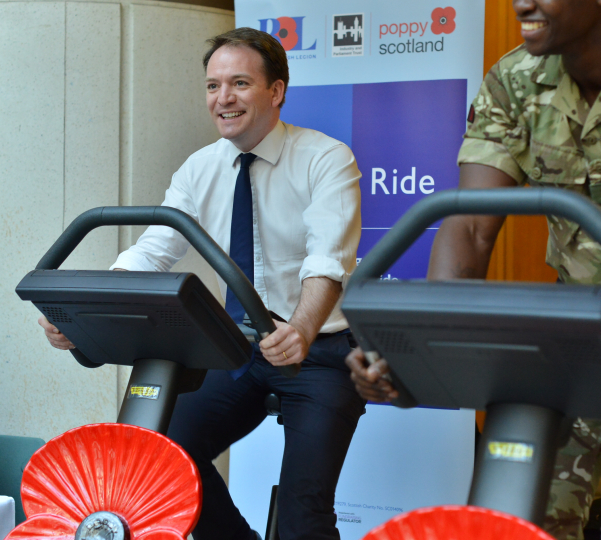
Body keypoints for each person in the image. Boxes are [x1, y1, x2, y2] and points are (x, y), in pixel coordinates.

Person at [347, 1, 601, 539]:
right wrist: (426, 344)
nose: (522, 3)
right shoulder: (513, 80)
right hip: (582, 311)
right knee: (522, 453)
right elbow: (469, 226)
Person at [39, 28, 365, 540]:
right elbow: (153, 250)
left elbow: (328, 260)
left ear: (276, 91)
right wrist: (86, 315)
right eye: (213, 86)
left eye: (239, 83)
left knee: (305, 514)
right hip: (236, 349)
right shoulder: (200, 167)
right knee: (163, 460)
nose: (223, 99)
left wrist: (300, 330)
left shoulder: (326, 158)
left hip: (317, 351)